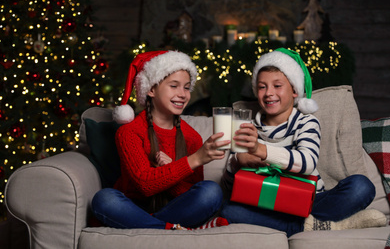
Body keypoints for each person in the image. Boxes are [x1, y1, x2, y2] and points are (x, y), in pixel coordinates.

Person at [220, 48, 387, 237]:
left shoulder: (306, 122)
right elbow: (228, 186)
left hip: (309, 201)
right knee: (228, 210)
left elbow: (307, 163)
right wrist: (238, 162)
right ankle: (315, 226)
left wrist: (260, 149)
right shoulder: (246, 125)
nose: (268, 93)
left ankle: (298, 224)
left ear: (294, 90)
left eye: (277, 85)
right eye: (262, 86)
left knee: (361, 186)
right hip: (266, 203)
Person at [92, 50, 230, 230]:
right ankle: (168, 228)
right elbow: (144, 184)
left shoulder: (191, 137)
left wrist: (170, 169)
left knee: (211, 191)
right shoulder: (129, 132)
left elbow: (192, 194)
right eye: (174, 86)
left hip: (176, 209)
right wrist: (195, 159)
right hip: (133, 207)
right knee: (104, 199)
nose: (183, 94)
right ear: (151, 89)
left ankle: (152, 225)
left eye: (186, 87)